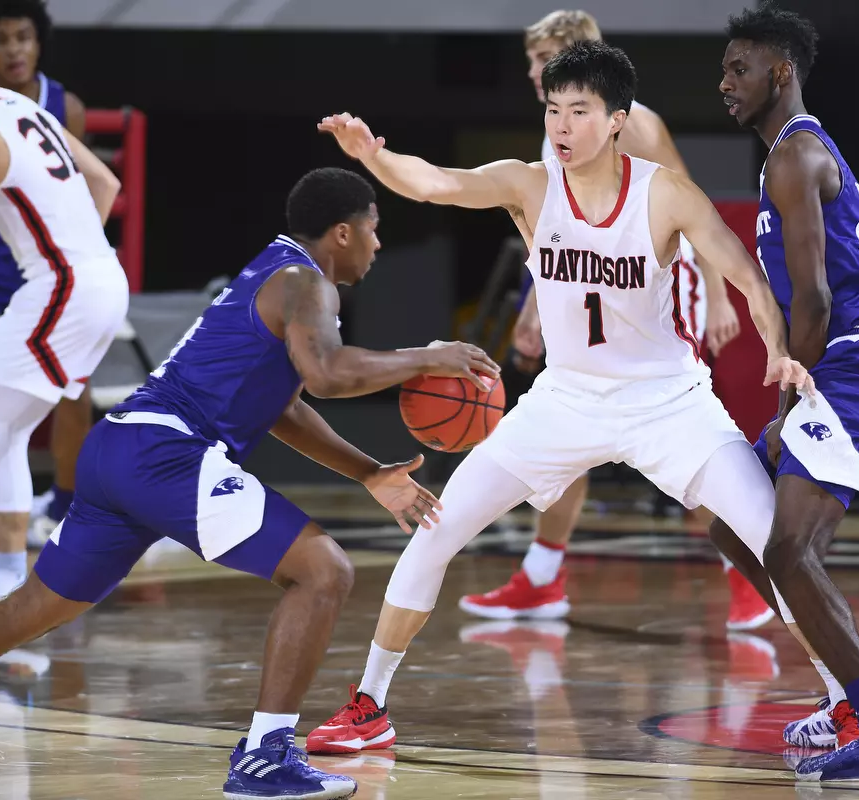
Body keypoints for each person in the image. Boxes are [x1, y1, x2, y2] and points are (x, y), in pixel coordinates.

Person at [308, 40, 813, 755]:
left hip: (667, 400)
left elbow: (745, 275)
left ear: (617, 120)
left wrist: (778, 350)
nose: (562, 126)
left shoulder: (663, 191)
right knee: (435, 529)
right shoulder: (530, 185)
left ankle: (851, 699)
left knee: (775, 542)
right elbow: (437, 184)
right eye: (553, 110)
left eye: (579, 111)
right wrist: (373, 158)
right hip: (564, 400)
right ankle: (369, 702)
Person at [0, 166, 500, 798]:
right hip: (166, 453)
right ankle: (265, 758)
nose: (378, 244)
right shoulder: (308, 282)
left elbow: (282, 409)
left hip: (118, 448)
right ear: (342, 232)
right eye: (373, 229)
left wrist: (368, 473)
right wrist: (429, 355)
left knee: (30, 611)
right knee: (323, 572)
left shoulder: (273, 272)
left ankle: (265, 757)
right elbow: (328, 373)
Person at [458, 9, 771, 632]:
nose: (530, 71)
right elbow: (560, 243)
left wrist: (717, 290)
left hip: (662, 286)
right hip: (595, 293)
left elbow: (688, 201)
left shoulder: (637, 123)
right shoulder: (559, 131)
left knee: (683, 443)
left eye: (540, 57)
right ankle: (543, 578)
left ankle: (749, 575)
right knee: (569, 425)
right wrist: (534, 311)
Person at [712, 5, 859, 781]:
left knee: (786, 546)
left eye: (739, 68)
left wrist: (784, 409)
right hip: (842, 362)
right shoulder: (791, 154)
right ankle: (849, 700)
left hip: (855, 360)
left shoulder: (793, 157)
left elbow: (813, 305)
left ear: (781, 72)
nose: (724, 82)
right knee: (729, 521)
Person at [0, 16, 120, 608]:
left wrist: (64, 267)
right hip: (99, 280)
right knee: (1, 430)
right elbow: (106, 183)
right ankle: (7, 589)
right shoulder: (21, 104)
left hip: (64, 286)